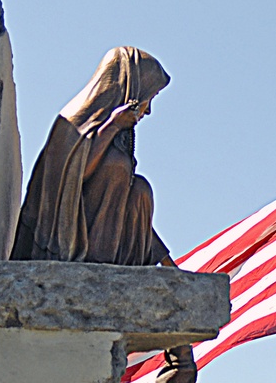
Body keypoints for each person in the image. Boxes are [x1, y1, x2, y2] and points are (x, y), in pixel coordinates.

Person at [11, 46, 175, 266]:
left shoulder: (121, 136)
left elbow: (125, 207)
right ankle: (98, 264)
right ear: (132, 90)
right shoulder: (71, 122)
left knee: (140, 190)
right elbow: (74, 178)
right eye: (149, 98)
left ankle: (125, 266)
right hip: (62, 241)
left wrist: (168, 264)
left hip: (105, 242)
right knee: (117, 166)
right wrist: (112, 126)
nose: (148, 110)